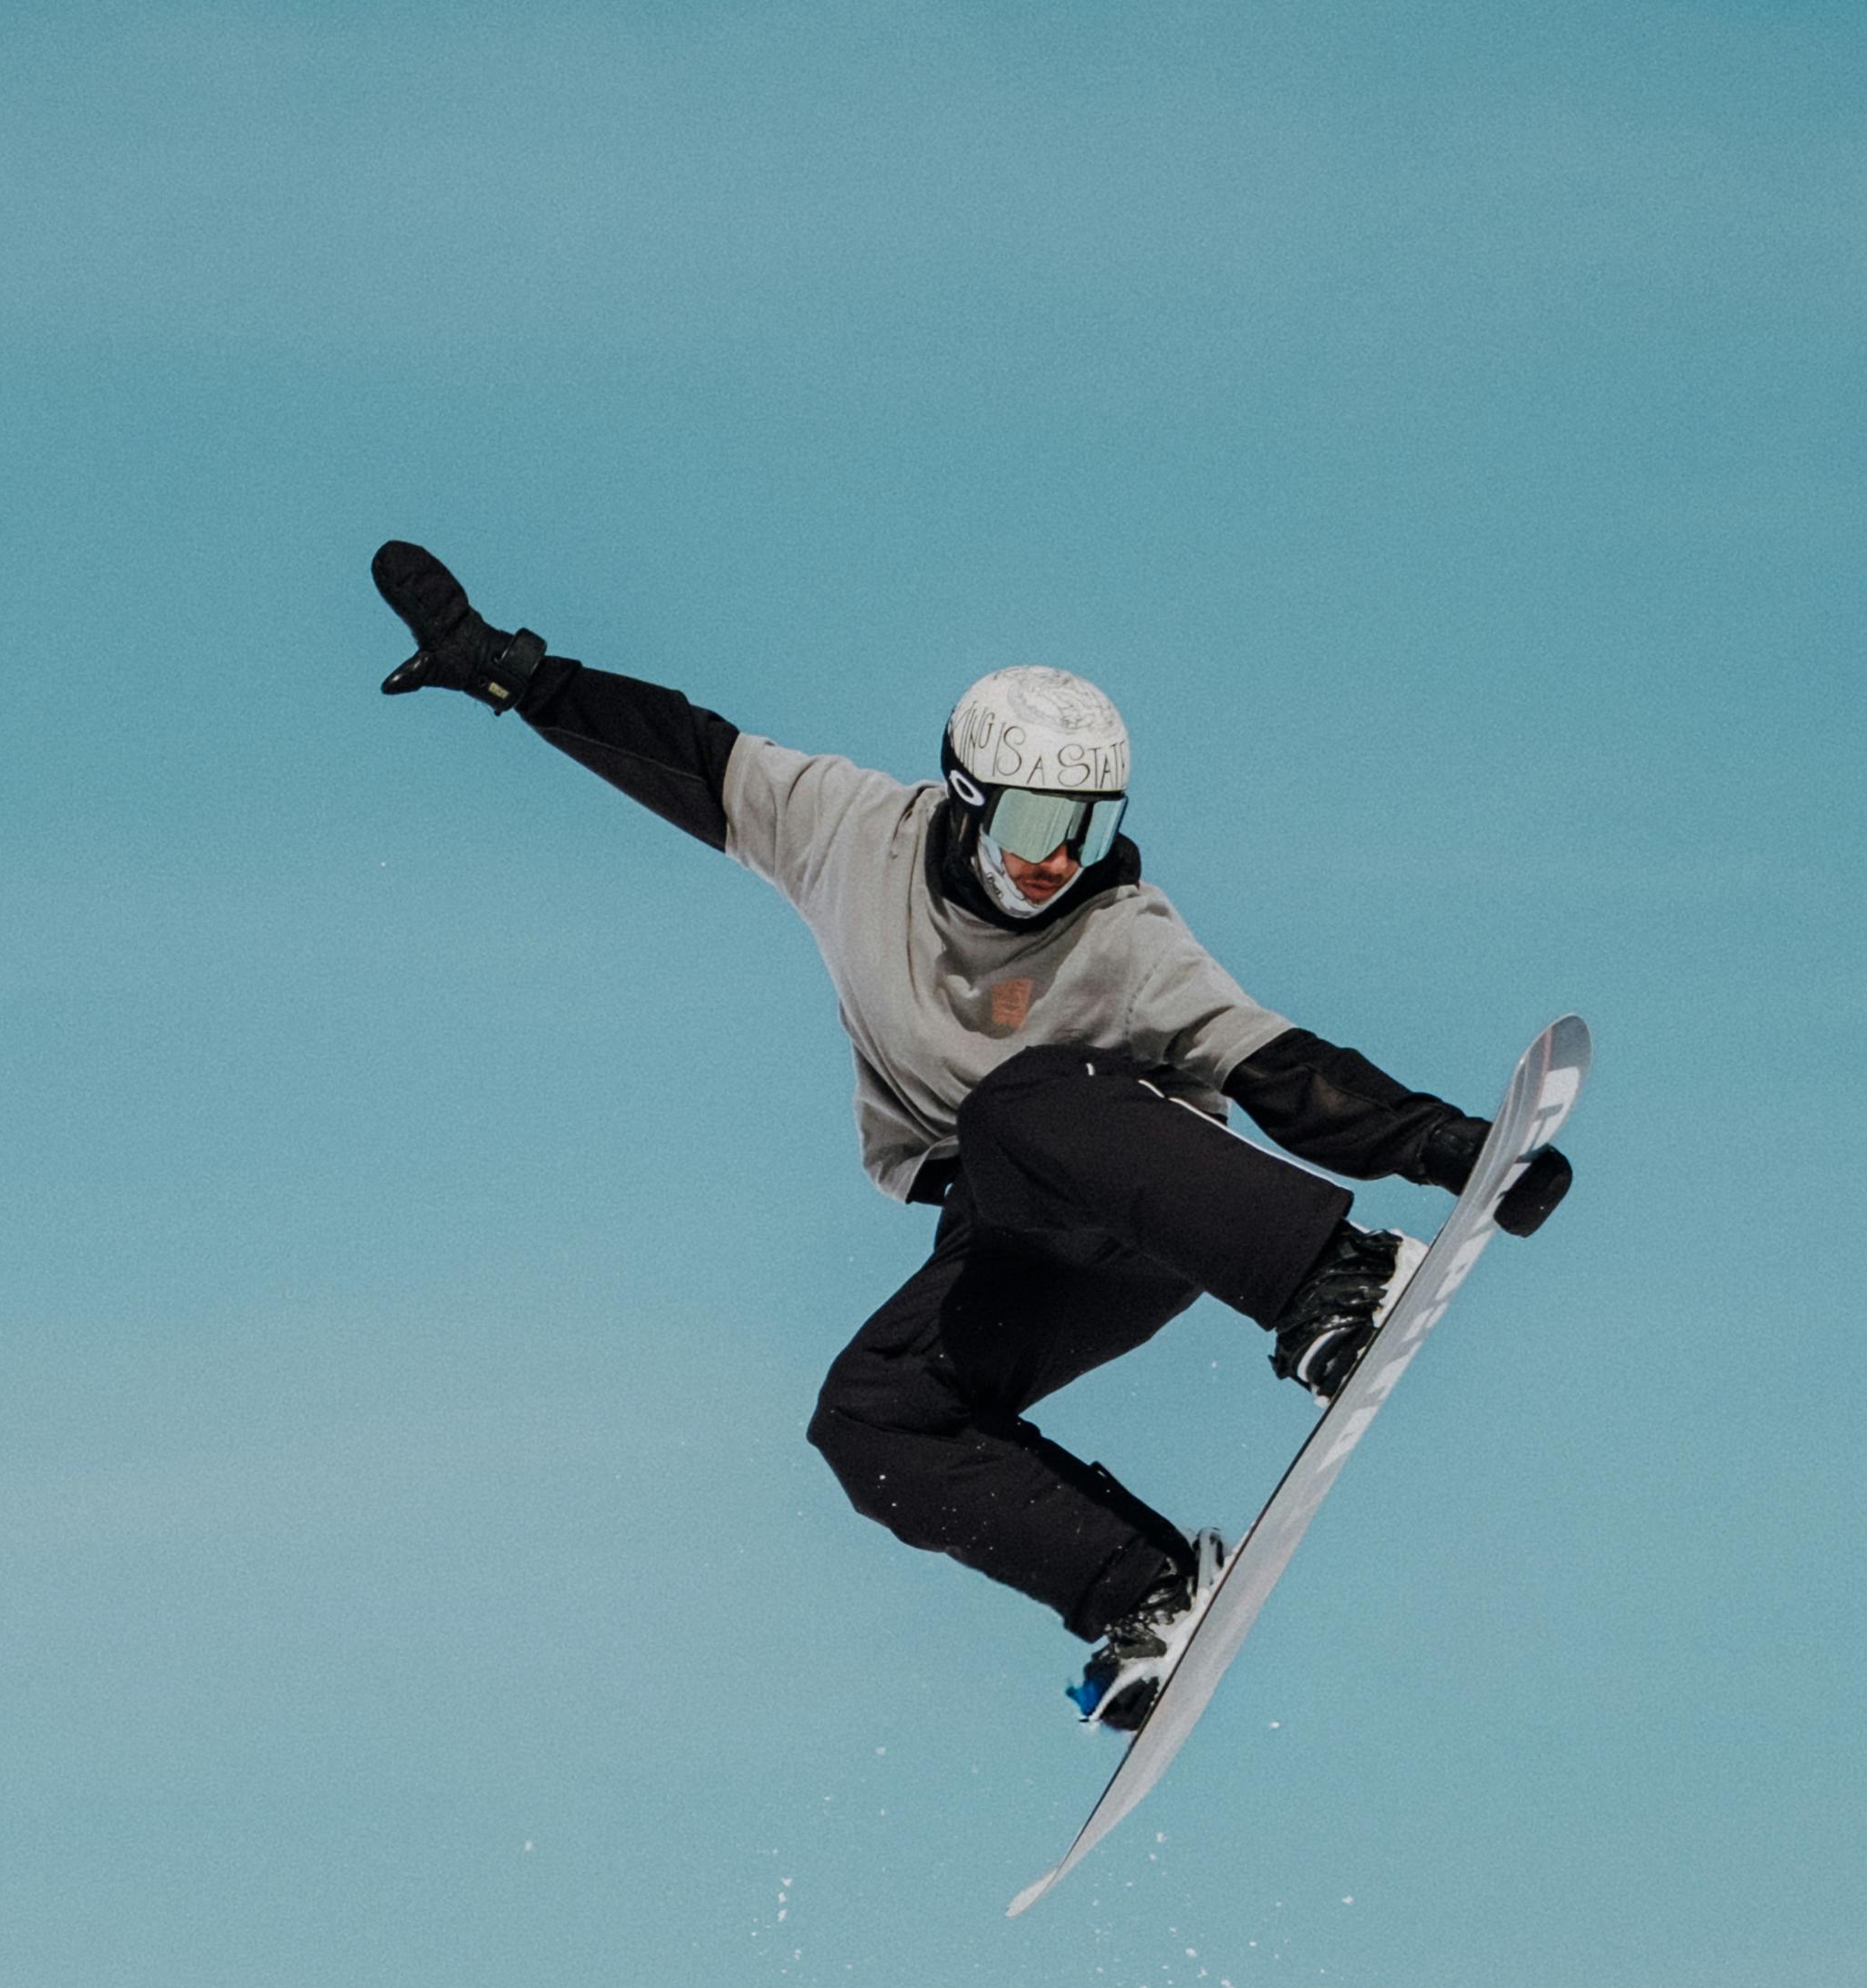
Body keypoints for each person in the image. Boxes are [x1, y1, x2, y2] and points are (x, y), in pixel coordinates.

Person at [370, 542, 1567, 1733]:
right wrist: (510, 674)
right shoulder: (845, 832)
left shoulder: (1121, 934)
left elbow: (1274, 1068)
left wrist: (1460, 1152)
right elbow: (685, 750)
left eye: (1088, 830)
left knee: (1023, 1100)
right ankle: (1145, 1592)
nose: (1057, 860)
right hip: (1006, 1234)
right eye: (1038, 821)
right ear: (966, 799)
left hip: (1145, 1226)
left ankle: (1337, 1279)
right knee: (870, 1414)